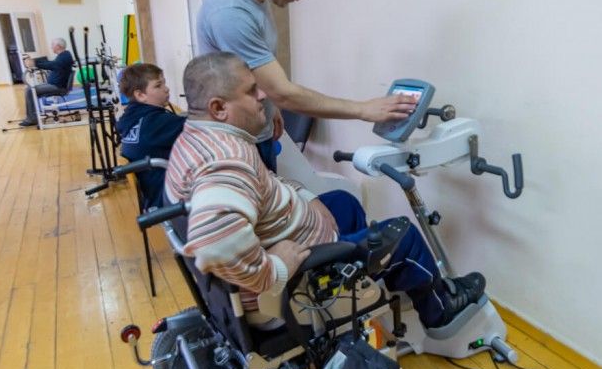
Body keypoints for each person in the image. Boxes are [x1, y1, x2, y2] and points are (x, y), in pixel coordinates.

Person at [164, 52, 485, 329]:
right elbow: (215, 245)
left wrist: (305, 198)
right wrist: (275, 270)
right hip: (293, 285)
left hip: (291, 240)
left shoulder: (197, 136)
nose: (263, 95)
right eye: (251, 91)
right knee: (405, 236)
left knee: (342, 202)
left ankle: (362, 285)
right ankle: (439, 311)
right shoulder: (227, 161)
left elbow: (263, 185)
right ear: (219, 107)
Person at [196, 0, 418, 171]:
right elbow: (283, 92)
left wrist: (270, 107)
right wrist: (364, 109)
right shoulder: (230, 12)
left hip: (258, 133)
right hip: (237, 148)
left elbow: (259, 76)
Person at [116, 62, 186, 207]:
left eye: (164, 83)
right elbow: (198, 126)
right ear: (140, 95)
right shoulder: (155, 123)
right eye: (158, 85)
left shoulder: (131, 120)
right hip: (168, 198)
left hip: (152, 195)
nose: (166, 89)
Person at [19, 37, 74, 127]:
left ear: (58, 46)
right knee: (30, 89)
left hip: (58, 87)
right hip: (54, 85)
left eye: (52, 45)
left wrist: (34, 63)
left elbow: (53, 65)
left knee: (30, 90)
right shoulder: (63, 55)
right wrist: (34, 61)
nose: (51, 47)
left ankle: (32, 118)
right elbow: (51, 63)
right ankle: (33, 115)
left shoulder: (65, 56)